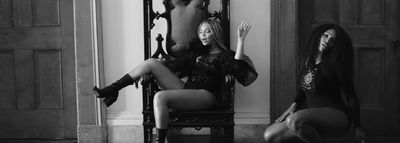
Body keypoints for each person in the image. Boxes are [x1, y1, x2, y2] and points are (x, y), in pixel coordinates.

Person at [93, 18, 258, 143]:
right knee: (151, 63)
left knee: (159, 97)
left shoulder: (224, 55)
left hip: (205, 95)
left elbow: (238, 68)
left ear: (216, 32)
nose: (202, 35)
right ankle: (114, 89)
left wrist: (241, 40)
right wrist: (150, 72)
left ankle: (160, 141)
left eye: (207, 31)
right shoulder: (198, 52)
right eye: (200, 31)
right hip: (187, 88)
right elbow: (176, 65)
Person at [263, 24, 365, 143]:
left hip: (336, 115)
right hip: (311, 116)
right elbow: (303, 87)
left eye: (332, 40)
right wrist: (293, 105)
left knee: (294, 121)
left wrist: (357, 126)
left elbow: (350, 96)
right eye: (325, 35)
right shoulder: (308, 60)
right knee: (270, 135)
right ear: (318, 36)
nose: (327, 40)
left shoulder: (336, 65)